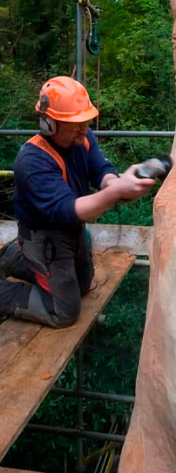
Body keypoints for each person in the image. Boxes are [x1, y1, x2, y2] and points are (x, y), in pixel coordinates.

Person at [0, 76, 154, 328]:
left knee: (83, 285)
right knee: (65, 311)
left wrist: (120, 184)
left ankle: (14, 257)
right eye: (74, 124)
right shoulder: (32, 161)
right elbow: (68, 211)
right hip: (44, 235)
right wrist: (116, 193)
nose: (83, 129)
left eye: (85, 122)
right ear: (49, 123)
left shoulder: (83, 137)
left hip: (70, 232)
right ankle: (16, 263)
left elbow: (101, 170)